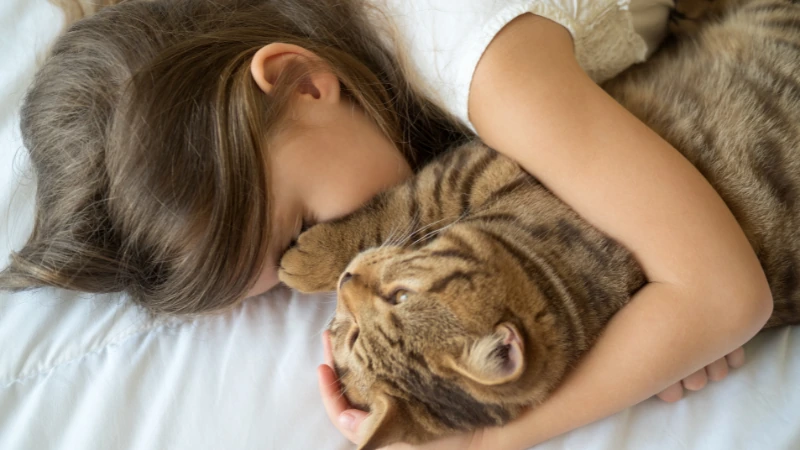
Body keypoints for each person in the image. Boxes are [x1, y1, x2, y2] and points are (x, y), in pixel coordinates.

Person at [0, 0, 771, 449]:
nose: (336, 276)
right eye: (281, 287)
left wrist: (478, 440)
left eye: (302, 234)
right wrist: (656, 326)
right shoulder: (357, 104)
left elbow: (725, 296)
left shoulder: (483, 65)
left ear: (301, 82)